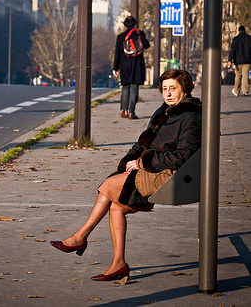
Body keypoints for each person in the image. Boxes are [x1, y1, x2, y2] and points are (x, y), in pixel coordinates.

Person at [50, 69, 201, 282]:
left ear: (184, 89)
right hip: (155, 169)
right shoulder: (165, 110)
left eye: (173, 89)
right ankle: (118, 264)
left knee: (108, 185)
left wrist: (142, 162)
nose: (167, 93)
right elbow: (143, 142)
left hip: (171, 174)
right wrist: (132, 158)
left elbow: (183, 156)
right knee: (116, 206)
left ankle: (80, 237)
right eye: (164, 89)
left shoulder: (191, 116)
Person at [113, 16, 149, 119]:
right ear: (134, 23)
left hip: (124, 65)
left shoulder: (120, 37)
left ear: (124, 24)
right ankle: (131, 112)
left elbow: (118, 53)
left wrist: (115, 68)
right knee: (134, 88)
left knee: (125, 87)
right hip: (137, 64)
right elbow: (146, 45)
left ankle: (124, 110)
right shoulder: (139, 33)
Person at [227, 25, 251, 97]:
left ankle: (236, 91)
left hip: (238, 61)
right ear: (245, 31)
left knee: (238, 76)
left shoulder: (236, 39)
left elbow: (233, 50)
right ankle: (245, 91)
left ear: (238, 31)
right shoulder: (249, 38)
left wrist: (230, 60)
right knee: (245, 75)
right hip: (247, 60)